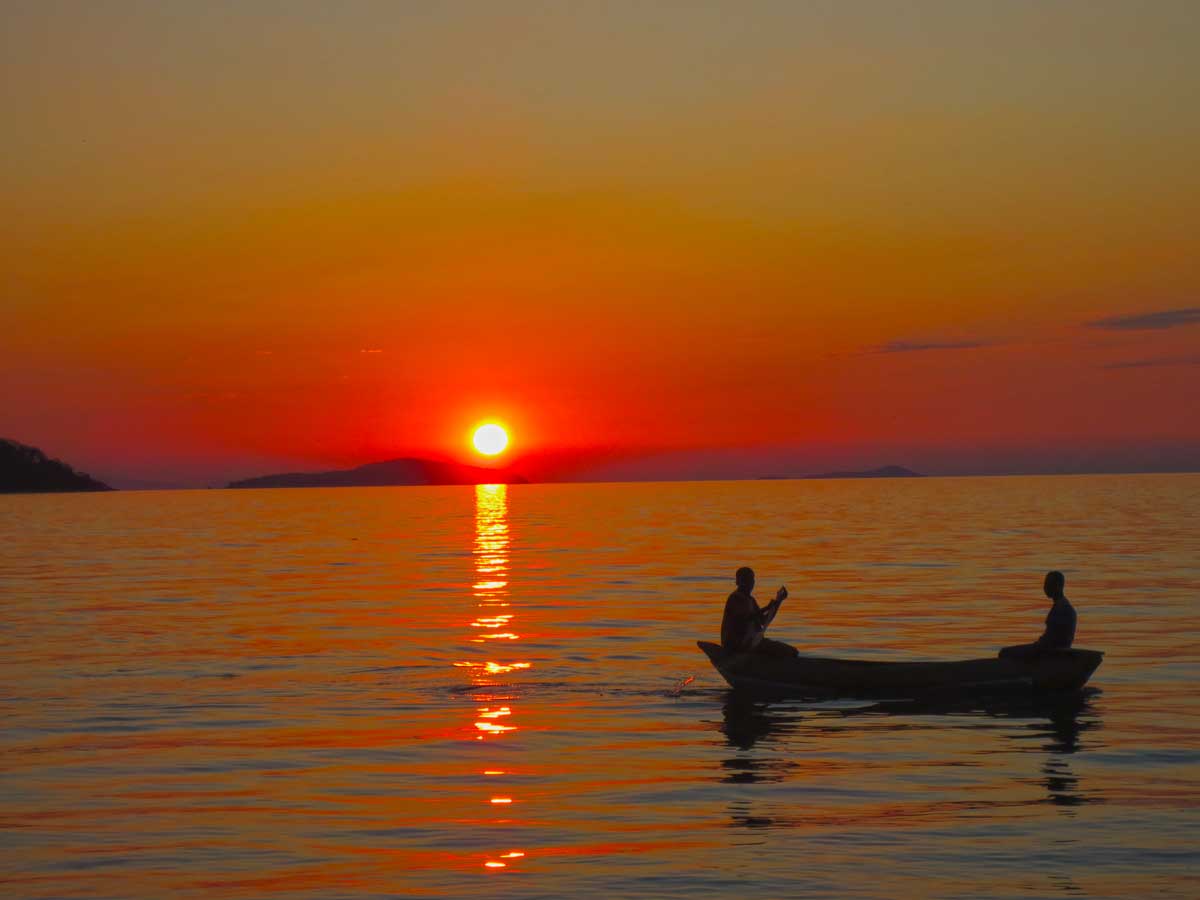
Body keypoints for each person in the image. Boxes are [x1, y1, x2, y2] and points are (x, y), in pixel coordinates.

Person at [1000, 570, 1078, 659]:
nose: (1045, 587)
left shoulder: (1062, 608)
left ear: (1059, 586)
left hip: (1052, 651)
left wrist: (1036, 647)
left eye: (1049, 584)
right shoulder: (1062, 605)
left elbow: (1052, 640)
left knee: (1005, 652)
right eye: (1045, 584)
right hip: (1049, 648)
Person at [720, 566, 796, 657]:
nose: (749, 583)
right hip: (737, 645)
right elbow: (745, 618)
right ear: (738, 582)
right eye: (745, 580)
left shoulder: (751, 600)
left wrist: (778, 601)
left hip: (752, 643)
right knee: (789, 652)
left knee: (792, 652)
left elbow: (764, 621)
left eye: (751, 579)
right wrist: (767, 607)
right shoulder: (735, 598)